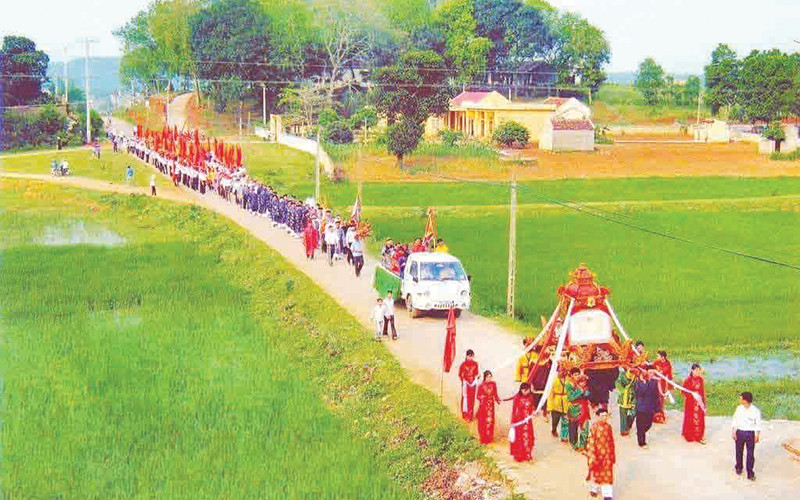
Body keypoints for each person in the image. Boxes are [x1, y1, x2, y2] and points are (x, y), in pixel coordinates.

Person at [586, 407, 616, 500]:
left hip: (607, 456)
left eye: (606, 416)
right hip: (597, 455)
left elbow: (611, 442)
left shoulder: (608, 427)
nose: (604, 417)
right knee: (596, 473)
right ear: (598, 416)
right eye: (602, 416)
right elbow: (590, 442)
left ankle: (607, 495)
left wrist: (612, 455)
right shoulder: (594, 427)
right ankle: (593, 489)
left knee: (607, 475)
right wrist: (592, 456)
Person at [732, 391, 762, 481]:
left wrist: (757, 434)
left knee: (750, 454)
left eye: (741, 399)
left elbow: (758, 423)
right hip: (740, 432)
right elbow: (735, 420)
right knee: (738, 451)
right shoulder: (739, 409)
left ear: (746, 400)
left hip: (750, 433)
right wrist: (734, 431)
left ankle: (750, 473)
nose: (740, 400)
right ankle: (739, 467)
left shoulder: (755, 411)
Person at [509, 383, 535, 462]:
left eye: (528, 390)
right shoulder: (517, 397)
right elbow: (514, 410)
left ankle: (528, 454)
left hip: (528, 421)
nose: (526, 392)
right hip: (519, 421)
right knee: (519, 438)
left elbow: (532, 408)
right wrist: (513, 421)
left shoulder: (530, 397)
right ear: (521, 390)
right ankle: (518, 455)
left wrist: (533, 413)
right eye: (524, 390)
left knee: (528, 437)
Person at [566, 367, 591, 451]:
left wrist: (586, 391)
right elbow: (570, 397)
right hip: (574, 408)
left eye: (578, 374)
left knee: (585, 428)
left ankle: (583, 445)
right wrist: (580, 391)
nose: (577, 376)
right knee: (573, 428)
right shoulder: (569, 385)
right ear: (571, 375)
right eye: (575, 375)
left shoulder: (583, 381)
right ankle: (574, 444)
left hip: (584, 407)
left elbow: (588, 393)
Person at [634, 370, 660, 448]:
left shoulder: (654, 382)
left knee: (648, 424)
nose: (651, 374)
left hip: (650, 407)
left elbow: (656, 395)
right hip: (641, 407)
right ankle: (642, 442)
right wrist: (643, 382)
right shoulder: (639, 382)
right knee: (641, 425)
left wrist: (657, 408)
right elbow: (639, 393)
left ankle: (640, 433)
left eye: (653, 373)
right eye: (650, 373)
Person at [682, 363, 706, 444]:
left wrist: (703, 403)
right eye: (696, 370)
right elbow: (684, 391)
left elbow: (702, 392)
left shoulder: (701, 380)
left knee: (700, 419)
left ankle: (699, 436)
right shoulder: (688, 380)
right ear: (692, 370)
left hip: (699, 403)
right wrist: (692, 395)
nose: (697, 372)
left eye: (699, 370)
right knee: (690, 419)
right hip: (690, 403)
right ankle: (690, 435)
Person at [476, 370, 501, 444]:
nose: (489, 378)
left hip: (491, 407)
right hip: (483, 406)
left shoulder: (493, 384)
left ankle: (489, 437)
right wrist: (482, 398)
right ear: (485, 377)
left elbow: (495, 394)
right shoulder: (481, 386)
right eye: (488, 377)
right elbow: (478, 396)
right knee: (482, 422)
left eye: (490, 377)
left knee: (490, 421)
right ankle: (483, 438)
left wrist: (498, 400)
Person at [547, 367, 569, 442]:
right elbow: (551, 394)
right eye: (560, 371)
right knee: (555, 420)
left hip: (566, 402)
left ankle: (564, 436)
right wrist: (549, 406)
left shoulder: (568, 380)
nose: (562, 372)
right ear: (557, 372)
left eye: (563, 370)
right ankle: (554, 429)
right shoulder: (554, 381)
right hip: (556, 403)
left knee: (565, 420)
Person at [652, 350, 673, 424]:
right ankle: (653, 416)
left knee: (660, 400)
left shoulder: (667, 365)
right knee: (654, 398)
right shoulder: (656, 362)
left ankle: (660, 416)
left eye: (658, 356)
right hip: (654, 383)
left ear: (663, 357)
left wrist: (669, 387)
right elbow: (651, 367)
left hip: (662, 384)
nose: (657, 357)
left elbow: (669, 376)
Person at [458, 350, 480, 421]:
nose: (470, 358)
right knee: (465, 398)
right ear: (466, 356)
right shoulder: (463, 365)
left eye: (472, 356)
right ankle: (464, 414)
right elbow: (460, 374)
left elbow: (476, 373)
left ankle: (470, 415)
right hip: (465, 384)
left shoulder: (475, 364)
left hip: (473, 385)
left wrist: (477, 377)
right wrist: (464, 380)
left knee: (472, 400)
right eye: (469, 356)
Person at [616, 369, 637, 437]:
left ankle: (628, 426)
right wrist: (623, 391)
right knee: (623, 415)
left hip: (632, 397)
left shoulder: (636, 375)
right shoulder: (622, 374)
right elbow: (617, 384)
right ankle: (623, 430)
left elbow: (636, 387)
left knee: (633, 413)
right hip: (623, 398)